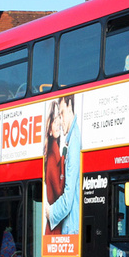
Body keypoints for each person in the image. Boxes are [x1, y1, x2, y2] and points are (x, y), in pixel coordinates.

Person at [46, 94, 81, 235]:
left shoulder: (73, 142)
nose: (61, 121)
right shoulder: (70, 140)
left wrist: (50, 212)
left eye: (61, 114)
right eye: (57, 117)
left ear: (70, 106)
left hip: (70, 229)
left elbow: (68, 198)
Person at [44, 99, 65, 235]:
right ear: (50, 129)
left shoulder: (56, 150)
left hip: (57, 224)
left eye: (59, 118)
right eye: (54, 120)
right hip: (54, 229)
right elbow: (58, 190)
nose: (58, 124)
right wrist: (64, 160)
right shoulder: (52, 156)